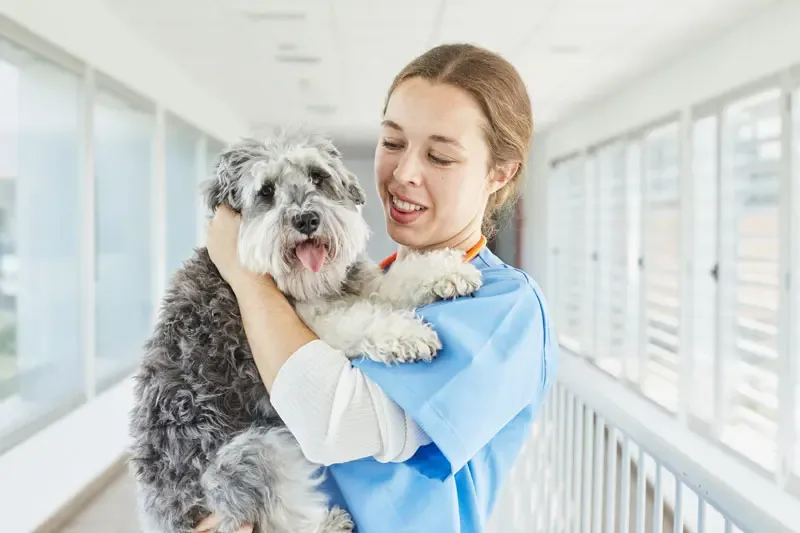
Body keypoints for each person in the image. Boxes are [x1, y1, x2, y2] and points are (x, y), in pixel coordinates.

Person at [194, 43, 558, 533]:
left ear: (499, 173)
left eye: (440, 156)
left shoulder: (504, 310)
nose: (405, 173)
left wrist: (243, 273)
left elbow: (331, 424)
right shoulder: (360, 281)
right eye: (392, 143)